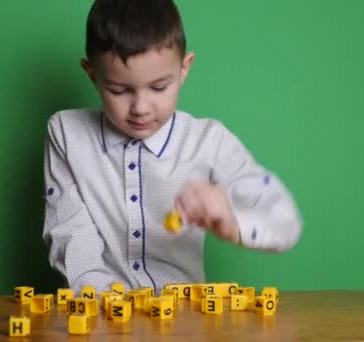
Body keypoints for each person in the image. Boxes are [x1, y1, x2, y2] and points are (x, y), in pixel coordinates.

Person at [42, 0, 302, 293]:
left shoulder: (210, 142)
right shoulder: (66, 134)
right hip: (102, 316)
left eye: (158, 87)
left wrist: (232, 220)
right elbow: (73, 239)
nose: (140, 108)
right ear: (92, 75)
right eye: (119, 90)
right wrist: (115, 312)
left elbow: (286, 224)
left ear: (184, 69)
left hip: (185, 323)